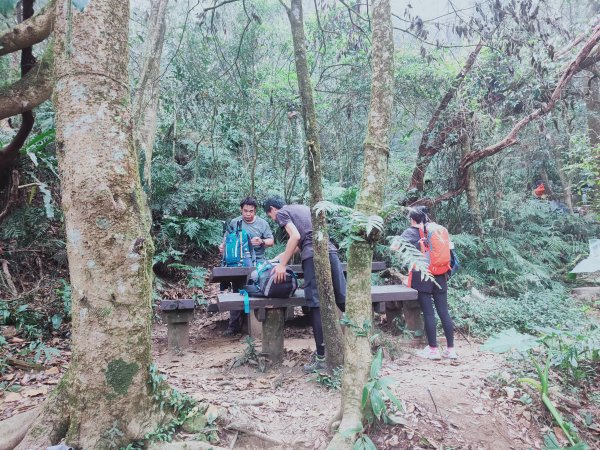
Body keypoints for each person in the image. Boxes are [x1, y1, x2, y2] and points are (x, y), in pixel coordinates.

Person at [263, 196, 346, 372]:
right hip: (330, 253)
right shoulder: (304, 209)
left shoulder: (282, 213)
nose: (274, 219)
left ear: (272, 210)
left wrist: (282, 266)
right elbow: (298, 243)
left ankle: (322, 359)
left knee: (315, 305)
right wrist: (279, 259)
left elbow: (296, 236)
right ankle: (364, 346)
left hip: (313, 257)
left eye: (270, 216)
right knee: (342, 300)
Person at [396, 207, 457, 360]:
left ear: (412, 219)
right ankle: (450, 350)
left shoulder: (411, 232)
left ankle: (433, 350)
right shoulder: (436, 230)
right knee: (443, 312)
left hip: (422, 276)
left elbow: (395, 247)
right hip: (441, 275)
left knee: (429, 313)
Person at [219, 197, 274, 336]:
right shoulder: (235, 222)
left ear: (255, 211)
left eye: (251, 211)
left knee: (258, 291)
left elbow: (271, 241)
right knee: (237, 291)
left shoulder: (262, 224)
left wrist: (261, 241)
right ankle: (234, 326)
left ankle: (259, 326)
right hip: (238, 263)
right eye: (245, 211)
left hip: (258, 262)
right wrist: (223, 247)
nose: (248, 214)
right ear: (241, 209)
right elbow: (227, 239)